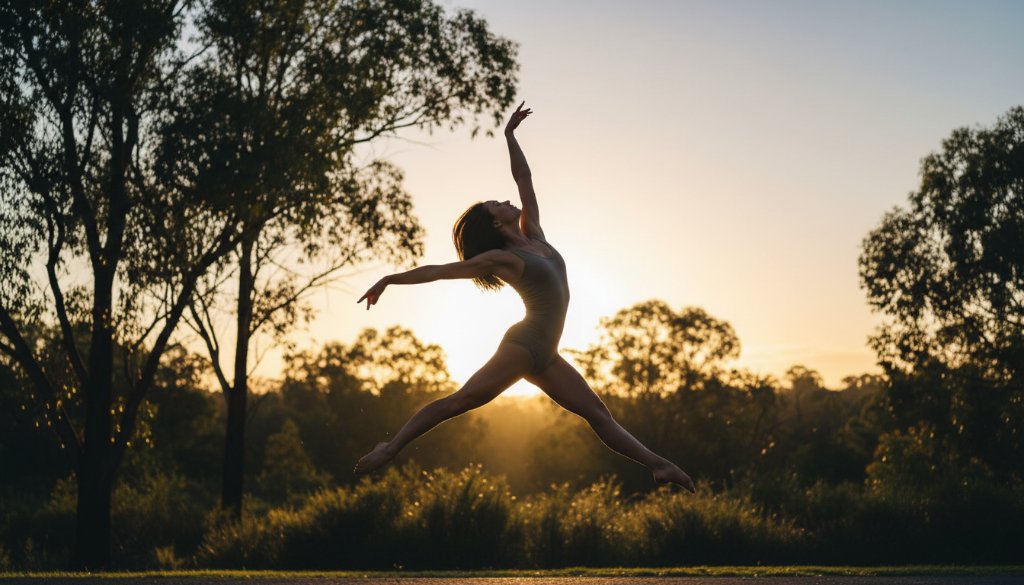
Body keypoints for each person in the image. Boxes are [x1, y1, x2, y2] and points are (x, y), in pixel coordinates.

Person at [354, 102, 695, 492]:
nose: (505, 200)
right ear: (496, 223)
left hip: (545, 353)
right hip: (525, 344)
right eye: (496, 205)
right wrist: (389, 279)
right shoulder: (504, 259)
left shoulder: (535, 235)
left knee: (599, 415)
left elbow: (524, 179)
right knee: (460, 401)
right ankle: (390, 448)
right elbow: (441, 271)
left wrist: (510, 136)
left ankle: (659, 466)